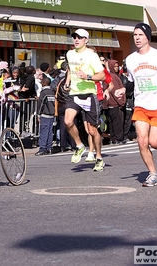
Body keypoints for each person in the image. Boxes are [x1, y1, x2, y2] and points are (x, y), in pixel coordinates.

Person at [115, 23, 157, 187]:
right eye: (135, 35)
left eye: (140, 35)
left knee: (154, 142)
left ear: (147, 37)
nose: (137, 38)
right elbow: (131, 83)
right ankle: (153, 174)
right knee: (142, 141)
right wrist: (123, 89)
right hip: (141, 105)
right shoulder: (130, 59)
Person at [64, 28, 106, 171]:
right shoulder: (70, 54)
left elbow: (102, 76)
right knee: (67, 121)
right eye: (74, 37)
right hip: (74, 93)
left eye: (79, 37)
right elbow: (70, 68)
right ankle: (80, 145)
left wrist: (87, 77)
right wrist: (67, 82)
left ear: (86, 40)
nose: (76, 40)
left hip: (89, 94)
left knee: (92, 131)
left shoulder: (92, 56)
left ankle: (99, 157)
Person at [35, 77, 55, 156]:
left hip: (45, 114)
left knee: (43, 132)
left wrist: (38, 114)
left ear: (44, 83)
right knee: (50, 132)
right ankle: (49, 147)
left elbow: (41, 104)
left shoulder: (44, 92)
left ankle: (42, 148)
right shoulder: (52, 92)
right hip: (52, 114)